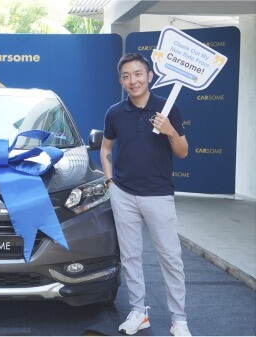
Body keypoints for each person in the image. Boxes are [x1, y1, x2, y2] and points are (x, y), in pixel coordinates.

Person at [100, 53, 191, 336]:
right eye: (126, 76)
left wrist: (170, 131)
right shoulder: (114, 112)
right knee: (130, 257)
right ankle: (138, 312)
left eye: (138, 74)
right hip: (123, 194)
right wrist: (110, 183)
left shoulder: (168, 108)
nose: (133, 80)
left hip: (158, 194)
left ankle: (179, 319)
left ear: (149, 76)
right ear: (121, 81)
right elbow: (105, 150)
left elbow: (183, 152)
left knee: (170, 257)